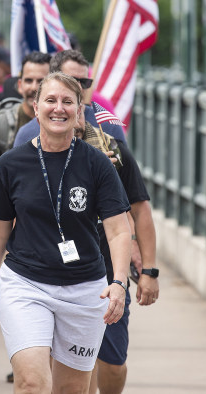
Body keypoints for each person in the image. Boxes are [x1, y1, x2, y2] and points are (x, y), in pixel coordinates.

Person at [0, 72, 132, 393]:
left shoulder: (97, 164)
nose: (58, 108)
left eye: (67, 102)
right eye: (50, 100)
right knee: (32, 382)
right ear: (36, 107)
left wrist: (118, 282)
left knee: (71, 390)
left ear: (79, 112)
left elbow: (118, 230)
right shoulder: (10, 164)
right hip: (26, 284)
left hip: (85, 289)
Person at [74, 123, 160, 394]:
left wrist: (149, 271)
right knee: (75, 365)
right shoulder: (31, 147)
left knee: (112, 363)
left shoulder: (113, 150)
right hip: (56, 276)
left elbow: (140, 209)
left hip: (108, 275)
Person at [0, 51, 52, 194]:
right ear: (20, 85)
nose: (33, 87)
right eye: (28, 80)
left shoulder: (65, 123)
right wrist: (19, 171)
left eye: (41, 81)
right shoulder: (0, 121)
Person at [14, 50, 127, 147]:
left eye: (83, 82)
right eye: (70, 80)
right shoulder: (26, 134)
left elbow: (126, 170)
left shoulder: (109, 126)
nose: (78, 87)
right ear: (52, 78)